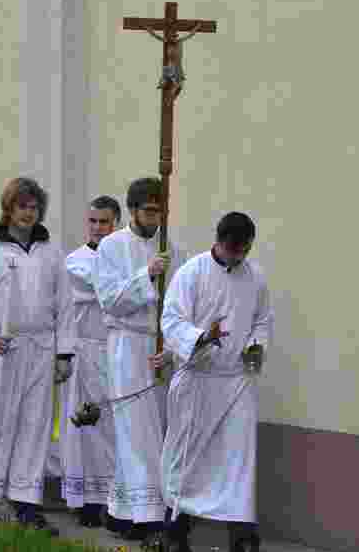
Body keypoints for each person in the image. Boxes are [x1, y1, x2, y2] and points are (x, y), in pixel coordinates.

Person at [0, 177, 70, 534]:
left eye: (34, 207)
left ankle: (27, 503)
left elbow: (65, 306)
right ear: (9, 208)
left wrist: (64, 353)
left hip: (39, 350)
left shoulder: (51, 251)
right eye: (22, 206)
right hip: (0, 351)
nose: (28, 213)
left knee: (34, 426)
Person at [160, 212, 273, 552]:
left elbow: (262, 320)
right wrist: (200, 337)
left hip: (237, 381)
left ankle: (242, 535)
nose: (237, 257)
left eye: (244, 251)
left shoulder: (256, 277)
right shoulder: (191, 273)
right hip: (198, 379)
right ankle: (176, 528)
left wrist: (256, 346)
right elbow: (172, 319)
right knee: (188, 456)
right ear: (219, 241)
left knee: (238, 458)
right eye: (232, 250)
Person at [93, 177, 181, 541]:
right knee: (135, 430)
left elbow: (179, 304)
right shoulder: (111, 247)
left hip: (157, 349)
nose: (155, 216)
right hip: (127, 346)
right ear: (132, 210)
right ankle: (149, 518)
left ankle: (123, 512)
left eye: (160, 209)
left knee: (154, 430)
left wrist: (173, 346)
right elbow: (109, 299)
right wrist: (146, 274)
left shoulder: (171, 248)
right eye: (148, 209)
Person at [60, 195, 121, 527]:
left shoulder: (123, 258)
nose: (98, 228)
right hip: (84, 353)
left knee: (114, 430)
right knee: (85, 428)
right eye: (93, 222)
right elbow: (103, 290)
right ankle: (85, 502)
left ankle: (113, 501)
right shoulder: (74, 260)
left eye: (105, 222)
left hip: (116, 353)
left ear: (116, 223)